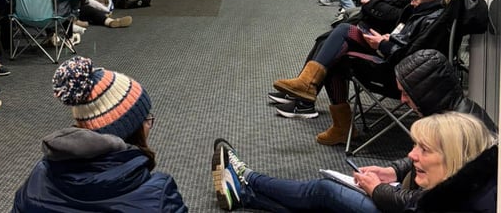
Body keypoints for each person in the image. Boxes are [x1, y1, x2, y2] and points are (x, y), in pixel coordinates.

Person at [273, 0, 469, 143]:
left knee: (342, 40)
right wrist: (388, 38)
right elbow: (410, 44)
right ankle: (312, 88)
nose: (411, 3)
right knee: (341, 40)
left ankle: (316, 93)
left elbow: (412, 57)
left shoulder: (430, 18)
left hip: (399, 74)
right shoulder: (430, 13)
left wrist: (383, 44)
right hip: (396, 60)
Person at [271, 0, 443, 119]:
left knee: (336, 41)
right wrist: (375, 2)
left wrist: (372, 4)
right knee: (326, 40)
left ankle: (305, 95)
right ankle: (303, 93)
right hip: (380, 36)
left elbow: (397, 17)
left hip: (384, 44)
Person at [212, 111, 497, 212]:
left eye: (424, 149)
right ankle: (246, 196)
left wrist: (376, 188)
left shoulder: (454, 202)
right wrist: (392, 171)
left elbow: (410, 204)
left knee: (326, 191)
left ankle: (247, 177)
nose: (412, 155)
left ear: (455, 159)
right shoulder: (472, 178)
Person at [13, 56, 187, 211]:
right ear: (130, 129)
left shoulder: (37, 179)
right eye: (147, 119)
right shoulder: (158, 196)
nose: (150, 124)